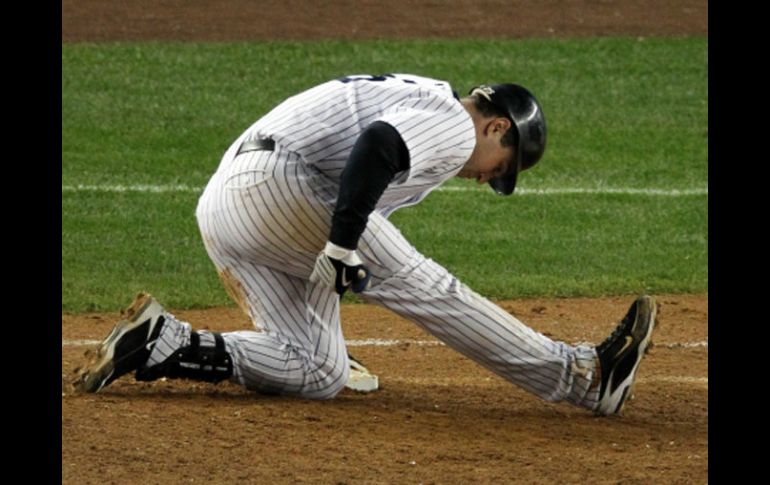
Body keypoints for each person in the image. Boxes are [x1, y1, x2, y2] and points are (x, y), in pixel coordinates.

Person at [75, 73, 657, 415]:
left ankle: (163, 342)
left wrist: (339, 250)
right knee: (423, 285)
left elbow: (364, 180)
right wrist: (339, 246)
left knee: (318, 370)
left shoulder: (417, 103)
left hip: (229, 207)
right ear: (497, 126)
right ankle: (584, 377)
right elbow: (379, 144)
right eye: (502, 167)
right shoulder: (453, 122)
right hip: (277, 187)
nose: (488, 179)